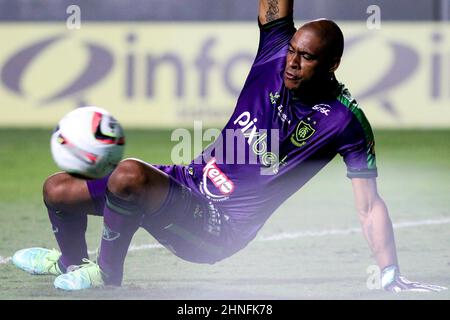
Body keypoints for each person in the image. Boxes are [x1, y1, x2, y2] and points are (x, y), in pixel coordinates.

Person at [12, 0, 446, 293]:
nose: (292, 63)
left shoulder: (344, 121)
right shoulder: (275, 51)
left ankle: (106, 275)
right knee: (57, 190)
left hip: (219, 228)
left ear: (332, 64)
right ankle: (70, 262)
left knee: (129, 175)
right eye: (293, 50)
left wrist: (389, 273)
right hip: (185, 183)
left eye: (307, 57)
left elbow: (369, 205)